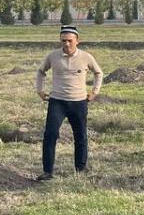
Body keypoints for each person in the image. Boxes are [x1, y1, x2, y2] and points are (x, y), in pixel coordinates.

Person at [34, 25, 102, 181]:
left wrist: (94, 92)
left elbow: (98, 73)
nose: (66, 44)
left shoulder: (86, 57)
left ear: (77, 41)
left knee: (80, 136)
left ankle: (80, 169)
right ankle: (47, 171)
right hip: (57, 102)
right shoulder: (53, 56)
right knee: (50, 134)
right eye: (63, 40)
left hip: (79, 102)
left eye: (70, 40)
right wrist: (40, 90)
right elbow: (41, 71)